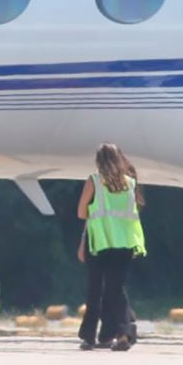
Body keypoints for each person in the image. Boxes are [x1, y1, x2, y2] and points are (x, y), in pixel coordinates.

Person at [77, 143, 147, 352]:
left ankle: (89, 336)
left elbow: (82, 213)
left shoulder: (94, 181)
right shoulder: (130, 183)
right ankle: (122, 334)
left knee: (95, 289)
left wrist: (84, 239)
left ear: (99, 162)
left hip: (100, 242)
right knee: (117, 290)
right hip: (124, 244)